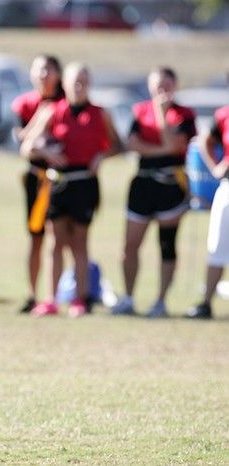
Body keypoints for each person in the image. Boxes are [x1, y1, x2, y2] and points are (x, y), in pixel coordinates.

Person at [22, 62, 121, 317]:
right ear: (64, 84)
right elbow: (28, 146)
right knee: (55, 242)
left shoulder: (101, 113)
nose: (78, 86)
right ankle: (51, 299)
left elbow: (118, 145)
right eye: (74, 81)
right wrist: (46, 152)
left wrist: (102, 155)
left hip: (84, 182)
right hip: (58, 182)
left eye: (83, 81)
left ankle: (81, 298)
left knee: (80, 242)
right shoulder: (52, 110)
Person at [110, 67, 196, 317]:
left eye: (166, 85)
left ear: (175, 85)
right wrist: (162, 149)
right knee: (130, 244)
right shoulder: (139, 111)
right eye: (157, 85)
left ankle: (160, 301)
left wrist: (161, 115)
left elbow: (175, 144)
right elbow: (133, 144)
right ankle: (127, 298)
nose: (162, 91)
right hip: (143, 183)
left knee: (166, 244)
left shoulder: (184, 115)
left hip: (171, 185)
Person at [11, 54, 64, 313]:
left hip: (62, 177)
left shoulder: (66, 103)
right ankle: (33, 294)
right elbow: (23, 144)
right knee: (35, 237)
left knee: (59, 238)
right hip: (36, 176)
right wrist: (41, 121)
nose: (44, 75)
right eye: (39, 70)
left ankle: (53, 296)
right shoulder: (26, 104)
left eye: (49, 70)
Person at [186, 102, 229, 319]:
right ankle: (206, 303)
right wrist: (216, 166)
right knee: (217, 246)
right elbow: (205, 140)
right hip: (228, 187)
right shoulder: (224, 114)